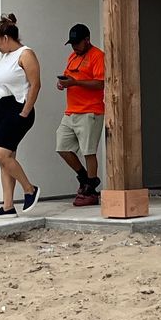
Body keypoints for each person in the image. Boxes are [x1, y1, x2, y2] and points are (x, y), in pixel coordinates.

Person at [0, 13, 41, 216]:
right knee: (5, 159)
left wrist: (26, 110)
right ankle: (8, 206)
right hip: (0, 109)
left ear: (6, 38)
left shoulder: (26, 54)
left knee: (0, 154)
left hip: (17, 107)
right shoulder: (5, 57)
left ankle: (30, 189)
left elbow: (35, 84)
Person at [54, 23, 106, 206]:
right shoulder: (72, 57)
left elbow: (100, 83)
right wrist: (63, 83)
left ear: (87, 40)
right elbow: (70, 78)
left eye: (77, 43)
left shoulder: (98, 56)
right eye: (72, 43)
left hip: (90, 111)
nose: (75, 47)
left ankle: (91, 190)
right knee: (62, 146)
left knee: (88, 151)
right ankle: (84, 178)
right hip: (71, 111)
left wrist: (76, 83)